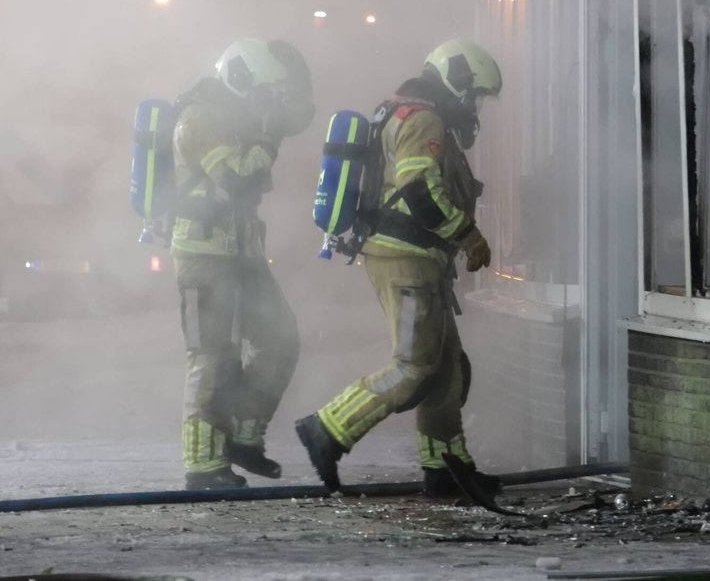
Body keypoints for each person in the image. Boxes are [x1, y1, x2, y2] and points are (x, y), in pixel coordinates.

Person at [295, 38, 501, 497]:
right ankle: (326, 430)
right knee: (413, 367)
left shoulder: (406, 112)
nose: (476, 107)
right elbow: (419, 189)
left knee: (445, 369)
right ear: (458, 82)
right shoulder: (422, 119)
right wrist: (467, 235)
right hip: (405, 261)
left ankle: (447, 468)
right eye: (476, 95)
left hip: (420, 260)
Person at [172, 38, 314, 489]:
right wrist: (268, 135)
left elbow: (297, 119)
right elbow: (237, 178)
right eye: (262, 92)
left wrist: (293, 89)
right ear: (239, 81)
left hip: (242, 253)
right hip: (203, 257)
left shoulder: (234, 117)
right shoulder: (202, 118)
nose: (263, 103)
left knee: (281, 339)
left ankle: (244, 439)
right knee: (212, 358)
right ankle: (203, 465)